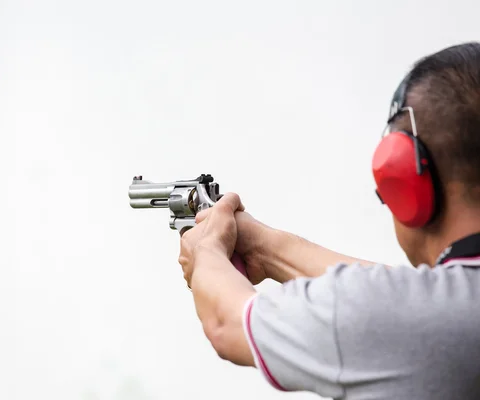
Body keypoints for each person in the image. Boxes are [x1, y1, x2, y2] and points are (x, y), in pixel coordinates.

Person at [178, 41, 480, 399]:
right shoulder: (448, 308)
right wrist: (263, 246)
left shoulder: (424, 319)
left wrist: (208, 249)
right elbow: (398, 299)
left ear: (404, 179)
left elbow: (226, 324)